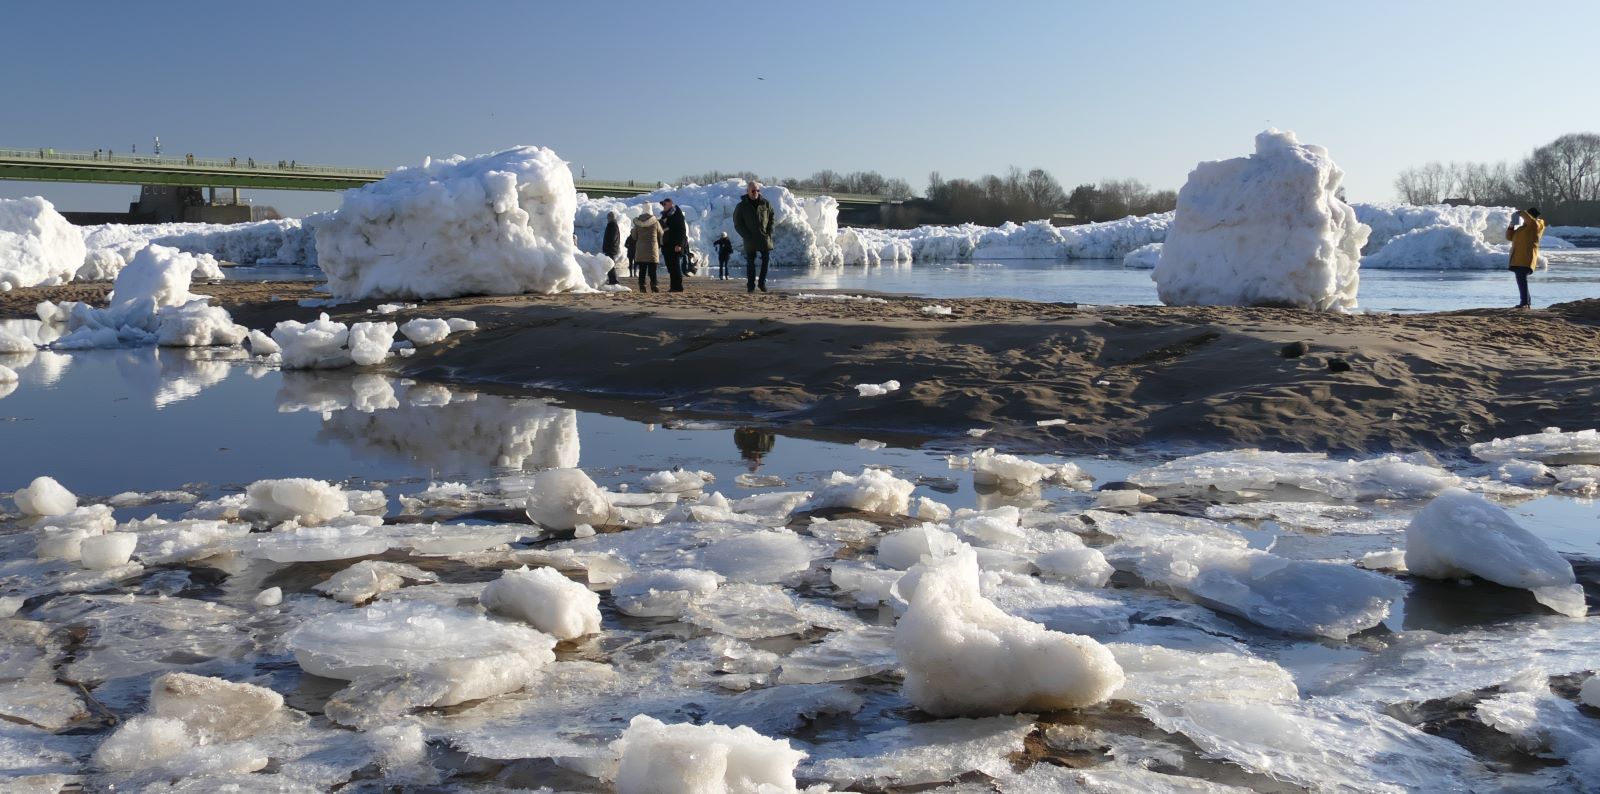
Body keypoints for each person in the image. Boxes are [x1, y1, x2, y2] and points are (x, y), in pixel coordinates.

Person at [734, 180, 775, 293]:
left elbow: (772, 216)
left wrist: (770, 231)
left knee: (766, 260)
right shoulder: (741, 206)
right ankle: (750, 285)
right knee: (750, 262)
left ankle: (762, 283)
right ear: (748, 191)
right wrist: (746, 235)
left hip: (764, 237)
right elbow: (738, 224)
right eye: (753, 190)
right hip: (750, 238)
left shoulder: (765, 203)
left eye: (757, 190)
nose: (755, 192)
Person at [1505, 207, 1546, 309]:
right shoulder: (1522, 229)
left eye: (1526, 216)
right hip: (1518, 258)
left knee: (1521, 279)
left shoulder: (1535, 226)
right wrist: (1511, 225)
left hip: (1526, 258)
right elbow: (1509, 237)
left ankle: (1524, 302)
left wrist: (1521, 212)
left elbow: (1530, 220)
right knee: (1521, 280)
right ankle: (1526, 302)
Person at [630, 206, 663, 292]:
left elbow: (634, 236)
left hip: (641, 249)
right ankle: (654, 285)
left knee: (642, 270)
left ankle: (642, 286)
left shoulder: (638, 223)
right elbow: (661, 234)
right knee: (653, 270)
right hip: (652, 248)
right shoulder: (655, 222)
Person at [659, 198, 688, 292]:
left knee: (675, 266)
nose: (663, 206)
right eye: (662, 204)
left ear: (671, 204)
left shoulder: (677, 215)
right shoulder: (665, 216)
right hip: (667, 245)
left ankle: (678, 287)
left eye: (665, 204)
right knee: (670, 267)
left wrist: (679, 244)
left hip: (675, 245)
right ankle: (673, 286)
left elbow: (682, 230)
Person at [601, 211, 622, 286]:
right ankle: (612, 280)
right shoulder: (613, 225)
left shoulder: (612, 225)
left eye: (608, 217)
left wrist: (608, 246)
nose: (608, 219)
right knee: (610, 264)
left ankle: (614, 280)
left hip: (611, 248)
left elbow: (611, 238)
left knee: (611, 265)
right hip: (612, 248)